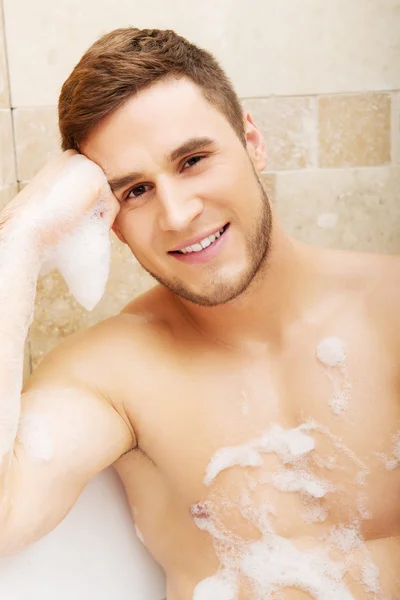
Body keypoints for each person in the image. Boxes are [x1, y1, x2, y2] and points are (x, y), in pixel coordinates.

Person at [0, 27, 399, 600]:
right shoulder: (111, 376)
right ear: (107, 219)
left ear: (252, 141)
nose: (179, 214)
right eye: (135, 191)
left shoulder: (391, 311)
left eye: (192, 160)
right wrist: (20, 237)